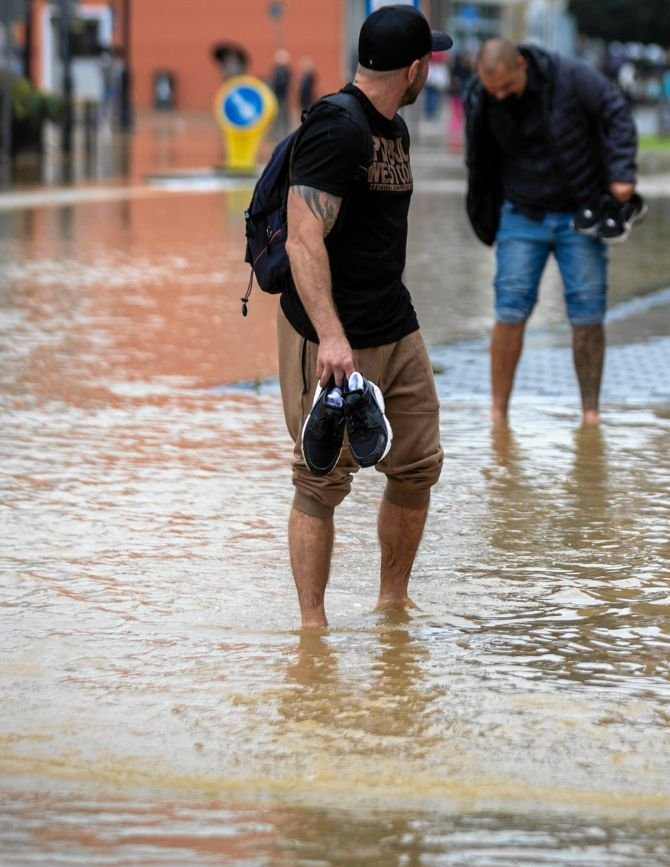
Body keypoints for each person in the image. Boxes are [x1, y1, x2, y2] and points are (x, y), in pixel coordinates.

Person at [275, 5, 451, 628]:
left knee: (418, 464)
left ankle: (393, 603)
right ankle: (312, 630)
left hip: (393, 322)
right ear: (414, 68)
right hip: (330, 333)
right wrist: (330, 337)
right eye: (429, 60)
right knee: (320, 480)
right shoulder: (338, 128)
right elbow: (302, 238)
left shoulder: (394, 128)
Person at [464, 38, 639, 426]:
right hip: (520, 212)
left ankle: (590, 414)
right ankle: (498, 415)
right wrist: (481, 210)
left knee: (588, 310)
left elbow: (616, 112)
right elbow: (477, 158)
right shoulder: (483, 96)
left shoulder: (571, 76)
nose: (501, 96)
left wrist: (623, 172)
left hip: (580, 211)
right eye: (494, 90)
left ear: (522, 65)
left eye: (506, 87)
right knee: (509, 308)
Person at [271, 49, 293, 132]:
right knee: (276, 114)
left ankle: (285, 130)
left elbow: (287, 83)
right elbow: (274, 82)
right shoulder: (276, 70)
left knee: (284, 114)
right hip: (276, 96)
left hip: (284, 96)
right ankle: (276, 131)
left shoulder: (287, 71)